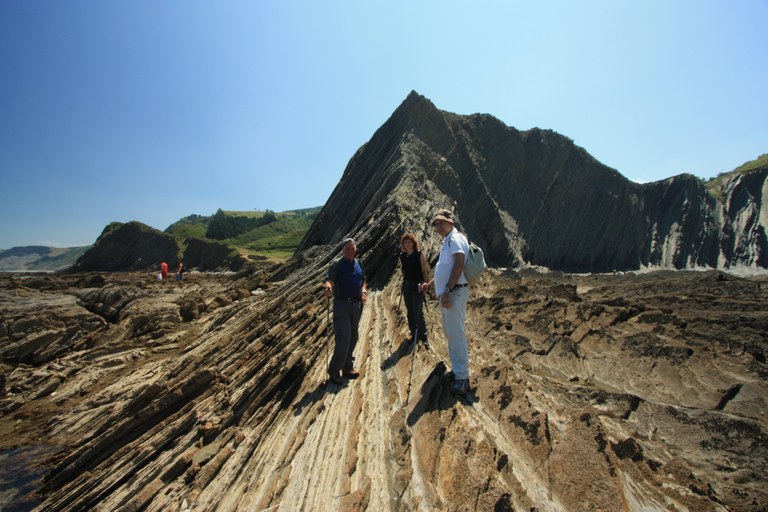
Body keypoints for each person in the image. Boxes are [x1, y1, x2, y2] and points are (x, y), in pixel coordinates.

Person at [420, 209, 471, 394]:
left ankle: (462, 377)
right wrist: (431, 284)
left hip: (455, 293)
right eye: (436, 224)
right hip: (450, 292)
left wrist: (448, 289)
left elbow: (459, 264)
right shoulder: (447, 241)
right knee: (451, 333)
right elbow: (446, 268)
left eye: (441, 222)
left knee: (456, 334)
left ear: (450, 222)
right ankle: (458, 370)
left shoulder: (455, 239)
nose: (438, 226)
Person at [323, 238, 368, 385]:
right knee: (344, 338)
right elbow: (329, 280)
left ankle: (347, 368)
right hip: (342, 305)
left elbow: (363, 281)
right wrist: (328, 288)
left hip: (356, 305)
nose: (350, 251)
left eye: (352, 248)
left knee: (354, 336)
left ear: (355, 250)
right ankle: (334, 370)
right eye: (347, 248)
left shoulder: (358, 263)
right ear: (343, 250)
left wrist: (364, 291)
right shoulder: (337, 264)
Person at [400, 233, 429, 349]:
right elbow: (404, 271)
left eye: (409, 242)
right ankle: (414, 335)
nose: (407, 244)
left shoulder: (419, 254)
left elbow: (424, 270)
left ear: (413, 243)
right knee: (410, 310)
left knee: (418, 311)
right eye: (405, 242)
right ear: (403, 244)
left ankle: (424, 335)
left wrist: (424, 285)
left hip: (418, 285)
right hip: (407, 285)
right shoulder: (403, 256)